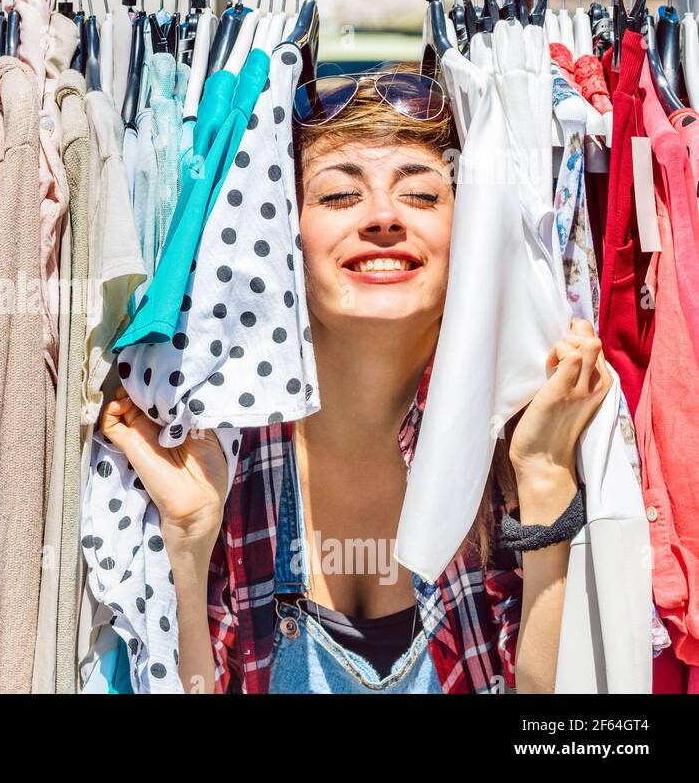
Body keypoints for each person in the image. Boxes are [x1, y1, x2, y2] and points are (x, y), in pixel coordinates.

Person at [99, 66, 613, 694]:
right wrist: (187, 546)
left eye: (422, 195)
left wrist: (543, 482)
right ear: (282, 234)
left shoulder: (522, 442)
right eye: (339, 196)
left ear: (470, 234)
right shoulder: (222, 455)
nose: (382, 217)